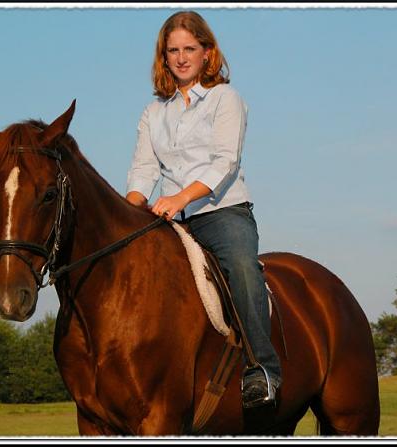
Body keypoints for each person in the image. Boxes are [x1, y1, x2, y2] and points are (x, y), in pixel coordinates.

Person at [125, 10, 281, 408]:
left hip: (223, 212)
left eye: (189, 49)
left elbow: (225, 161)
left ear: (207, 53)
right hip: (172, 221)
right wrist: (127, 213)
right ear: (163, 57)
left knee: (244, 269)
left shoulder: (225, 99)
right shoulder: (153, 112)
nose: (180, 57)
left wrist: (180, 197)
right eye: (172, 50)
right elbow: (144, 170)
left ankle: (262, 369)